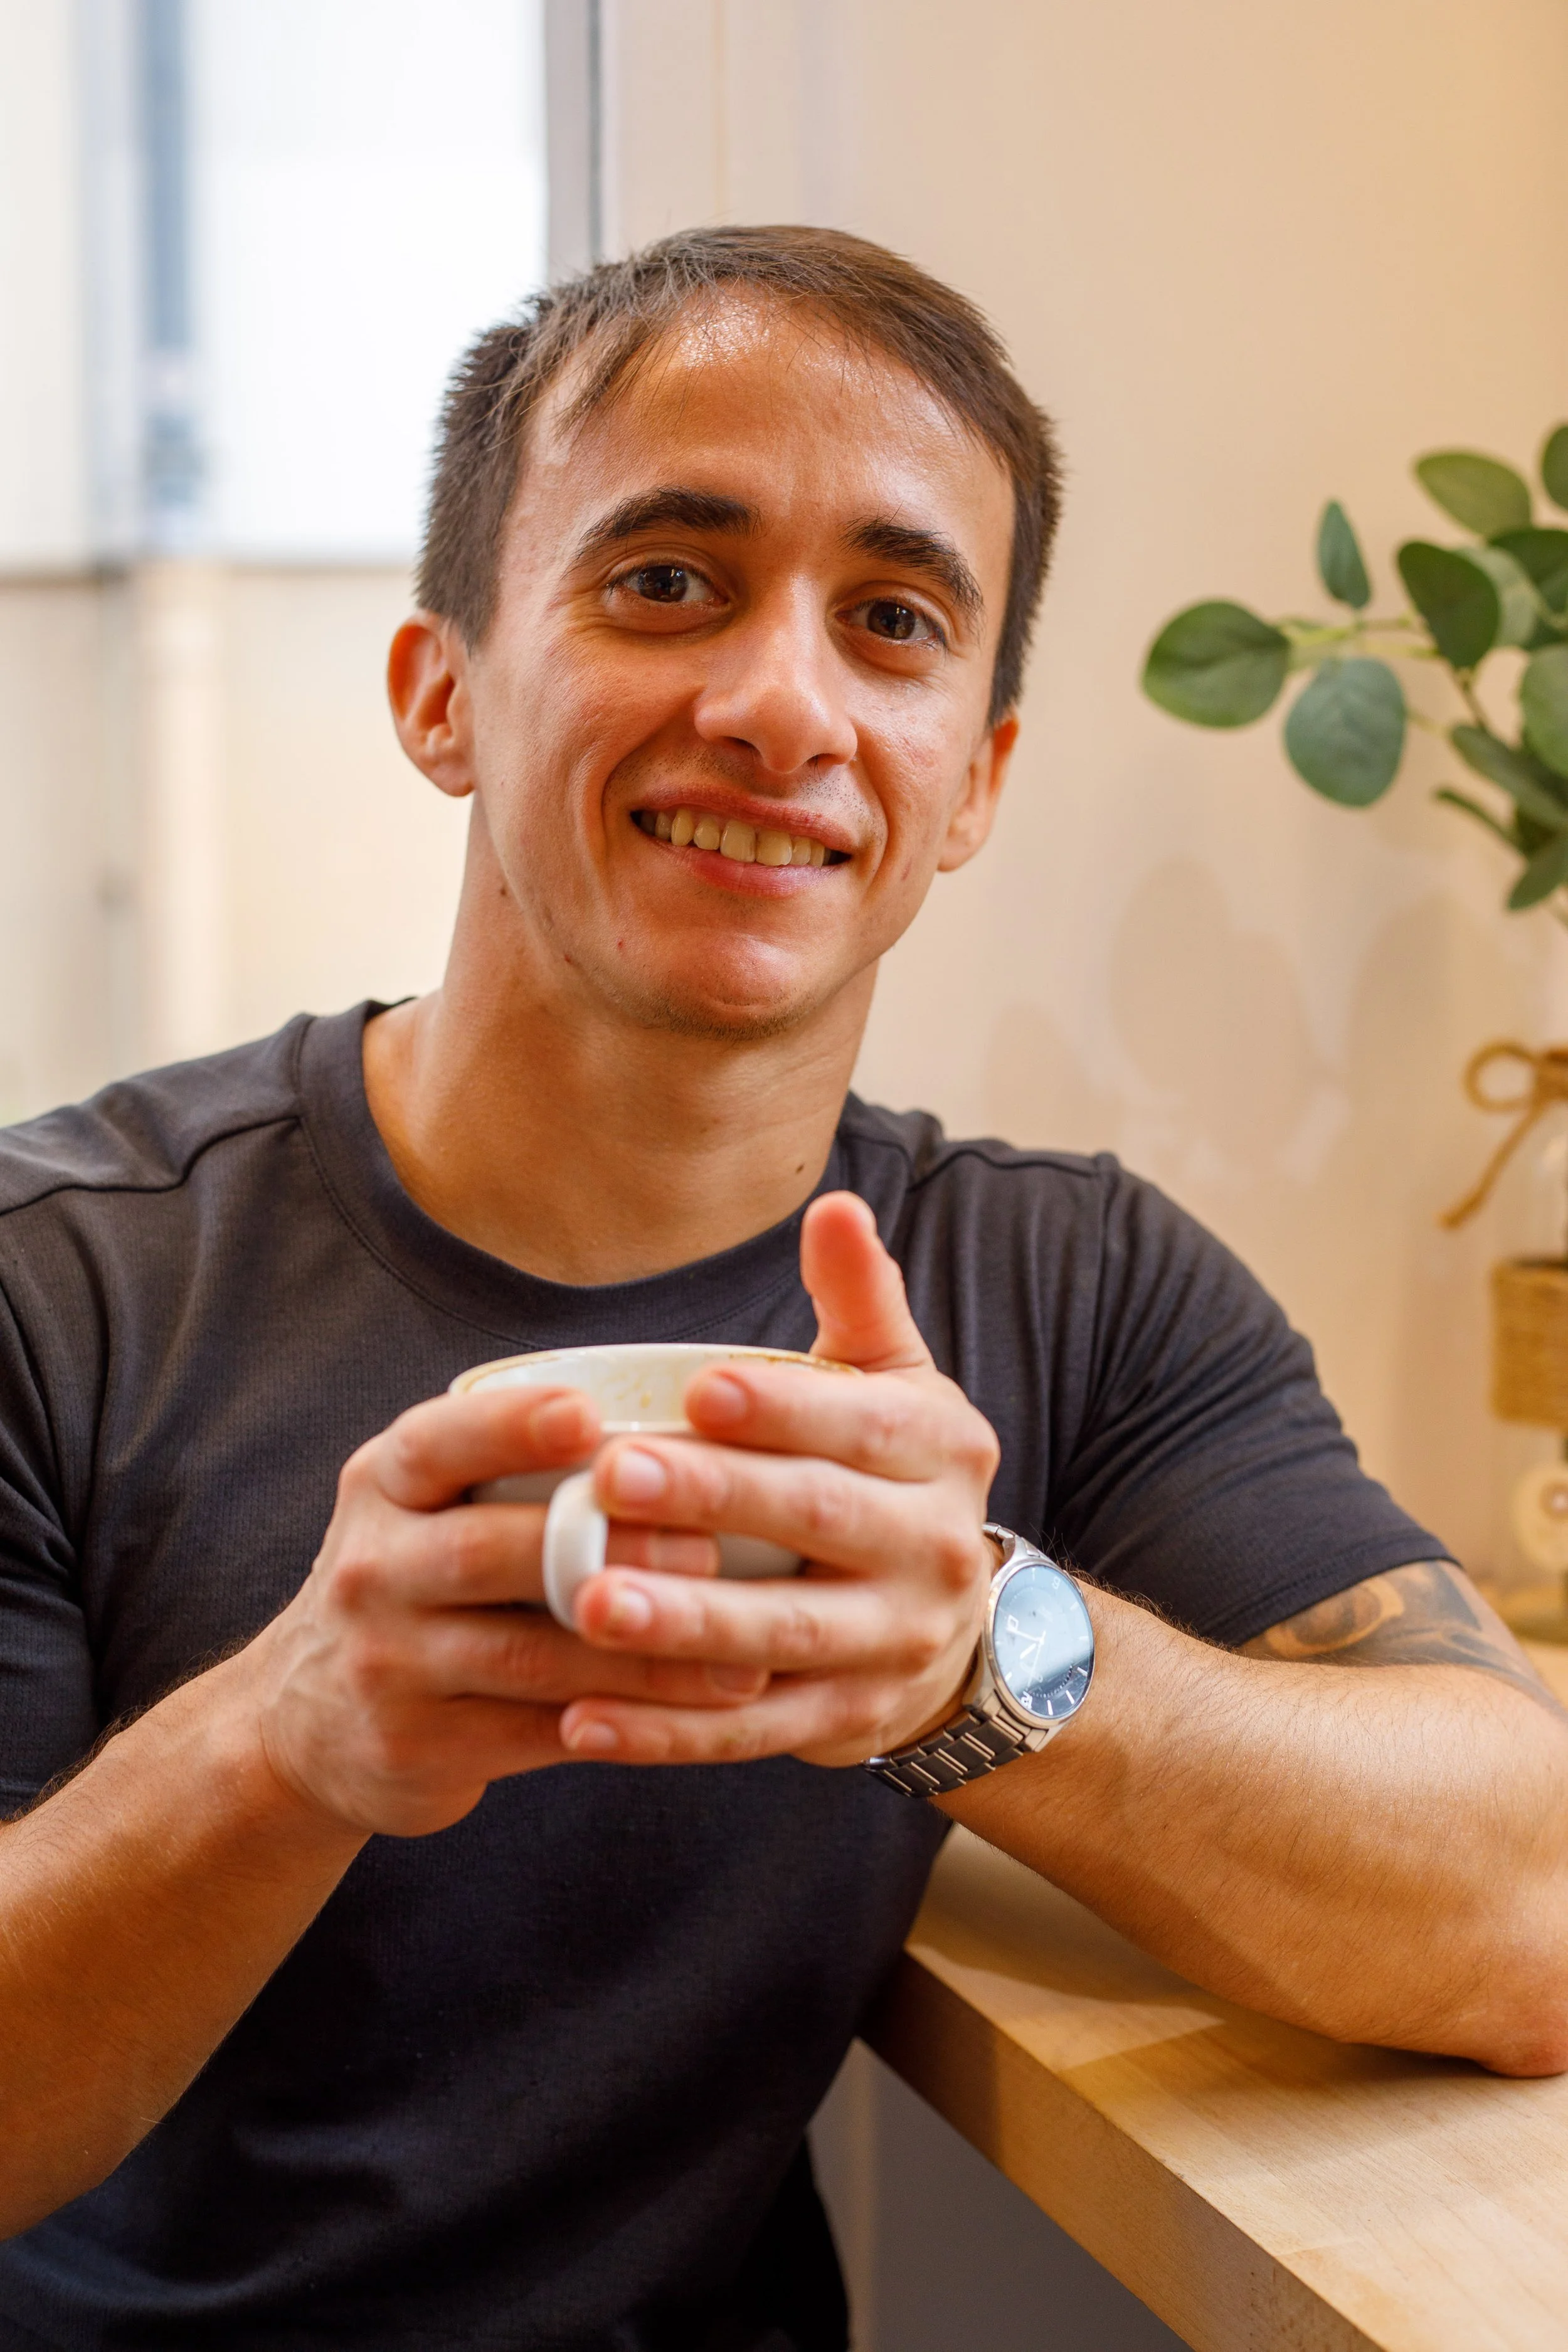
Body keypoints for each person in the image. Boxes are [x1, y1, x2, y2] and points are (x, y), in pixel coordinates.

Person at [0, 225, 1564, 2352]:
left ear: (973, 784)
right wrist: (290, 1741)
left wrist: (969, 1652)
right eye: (666, 581)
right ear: (439, 691)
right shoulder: (62, 1281)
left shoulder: (1063, 1285)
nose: (777, 706)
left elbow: (1529, 1908)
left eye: (895, 622)